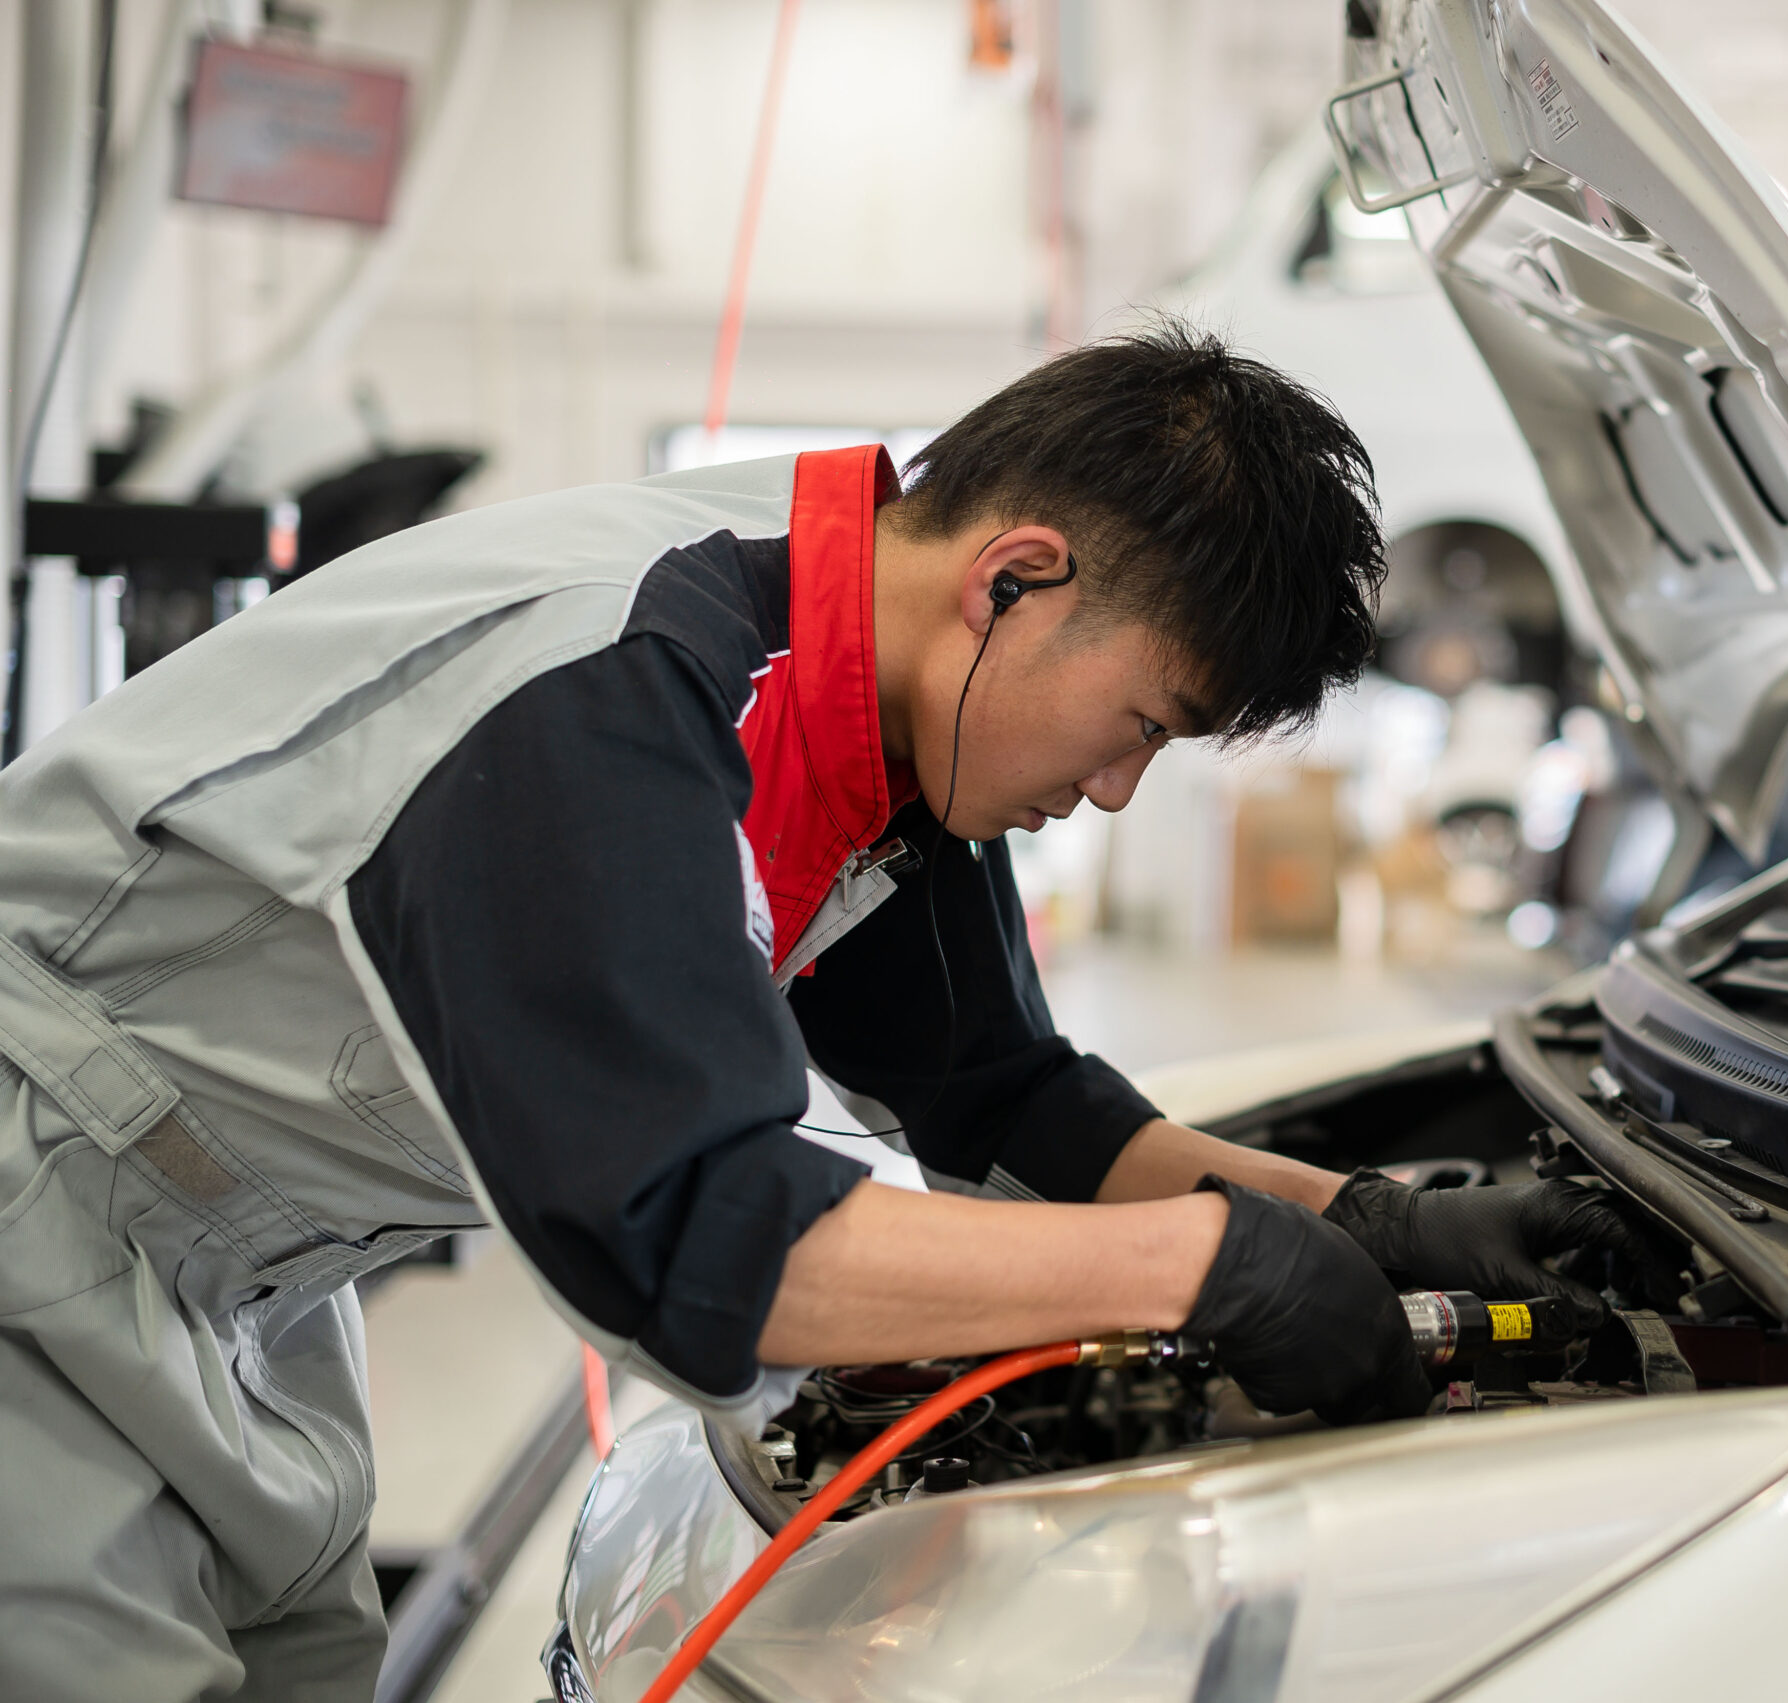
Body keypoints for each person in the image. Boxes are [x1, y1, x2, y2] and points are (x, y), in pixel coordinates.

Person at [0, 323, 1646, 1700]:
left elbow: (1011, 1110)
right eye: (1138, 721)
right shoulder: (615, 691)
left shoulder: (863, 710)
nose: (1120, 791)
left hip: (243, 1273)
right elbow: (710, 1244)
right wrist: (1206, 1273)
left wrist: (1371, 1225)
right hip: (40, 1208)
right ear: (1015, 578)